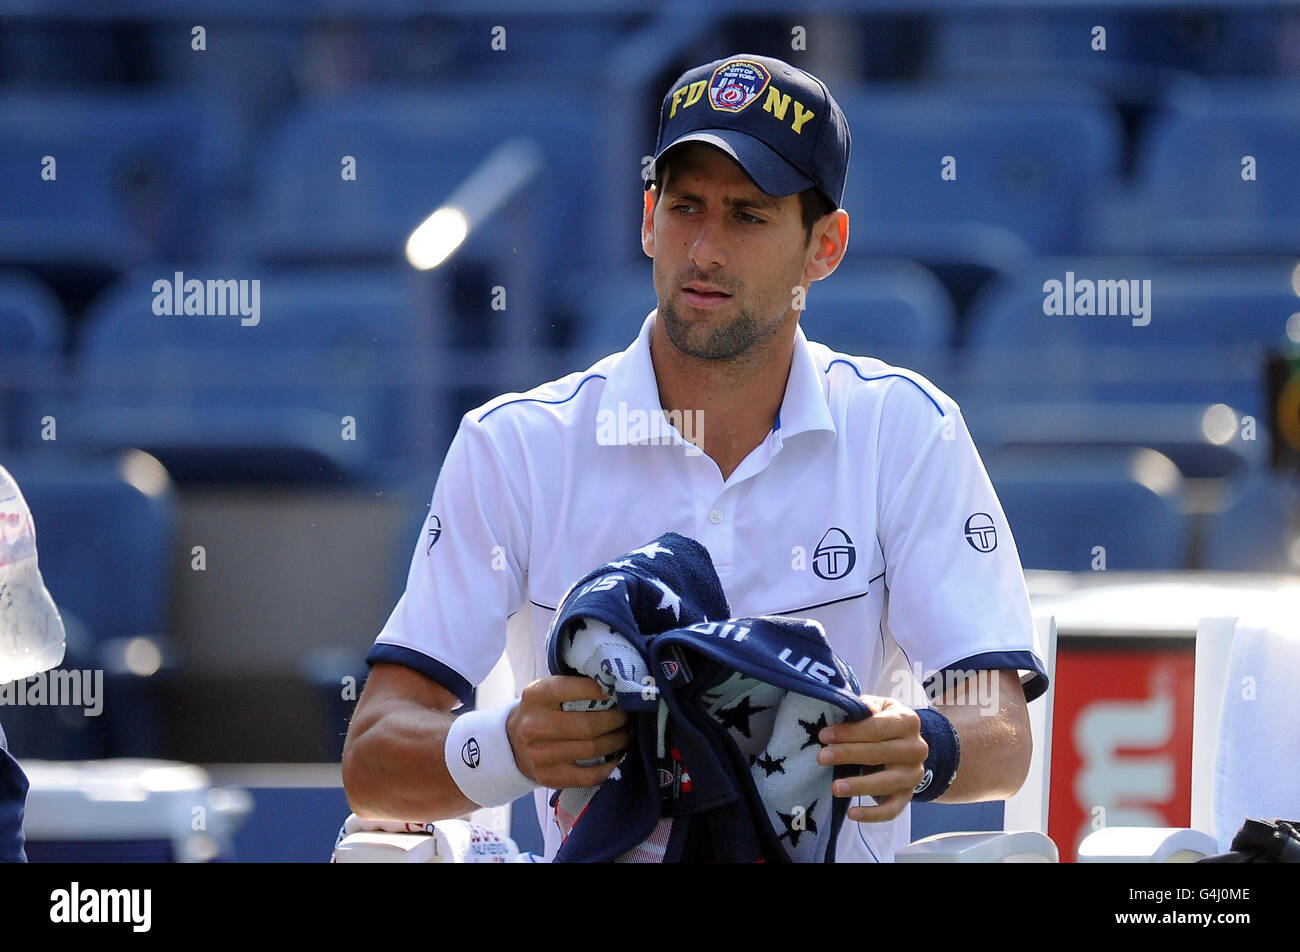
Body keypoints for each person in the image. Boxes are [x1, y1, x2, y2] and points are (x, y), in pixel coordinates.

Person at [343, 53, 1048, 863]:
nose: (705, 249)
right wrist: (504, 745)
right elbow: (372, 761)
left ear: (826, 247)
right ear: (648, 219)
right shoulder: (512, 446)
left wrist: (924, 745)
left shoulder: (907, 430)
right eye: (685, 208)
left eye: (748, 215)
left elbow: (997, 728)